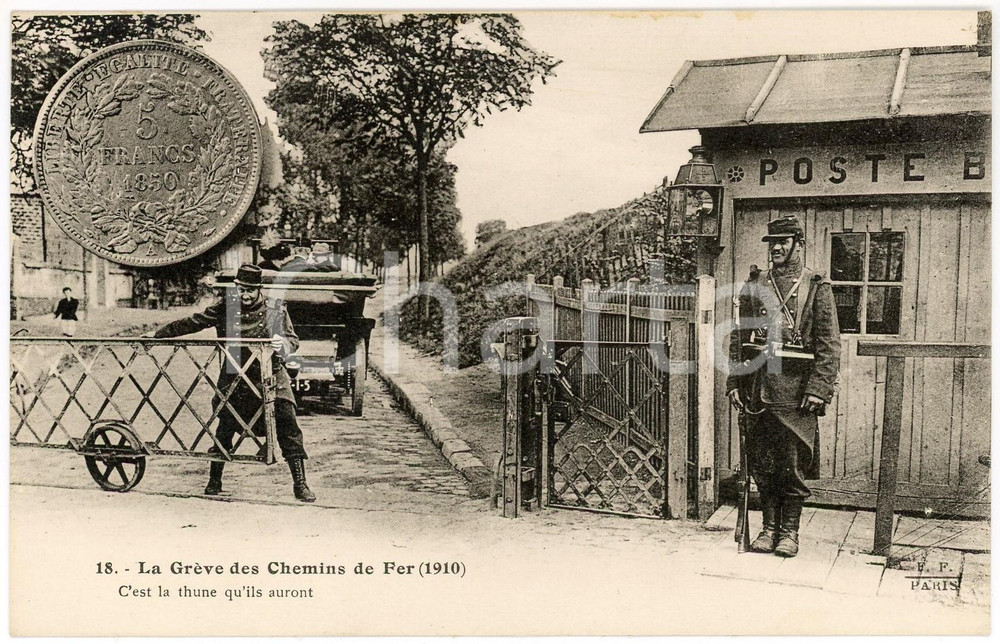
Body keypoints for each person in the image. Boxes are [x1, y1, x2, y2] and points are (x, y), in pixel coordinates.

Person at [148, 264, 316, 502]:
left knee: (287, 421)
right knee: (225, 426)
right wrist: (158, 334)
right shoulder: (226, 307)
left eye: (250, 290)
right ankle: (214, 479)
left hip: (270, 374)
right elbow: (194, 322)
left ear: (259, 289)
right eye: (241, 290)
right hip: (235, 376)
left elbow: (292, 339)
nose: (245, 295)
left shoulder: (275, 308)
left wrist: (283, 345)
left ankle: (300, 484)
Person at [726, 215, 840, 558]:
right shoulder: (755, 283)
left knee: (791, 465)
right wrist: (734, 380)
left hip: (795, 392)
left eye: (783, 242)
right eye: (772, 242)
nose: (776, 248)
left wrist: (818, 389)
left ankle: (789, 533)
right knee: (762, 464)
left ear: (798, 244)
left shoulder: (816, 286)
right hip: (758, 387)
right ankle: (768, 529)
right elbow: (739, 337)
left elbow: (829, 344)